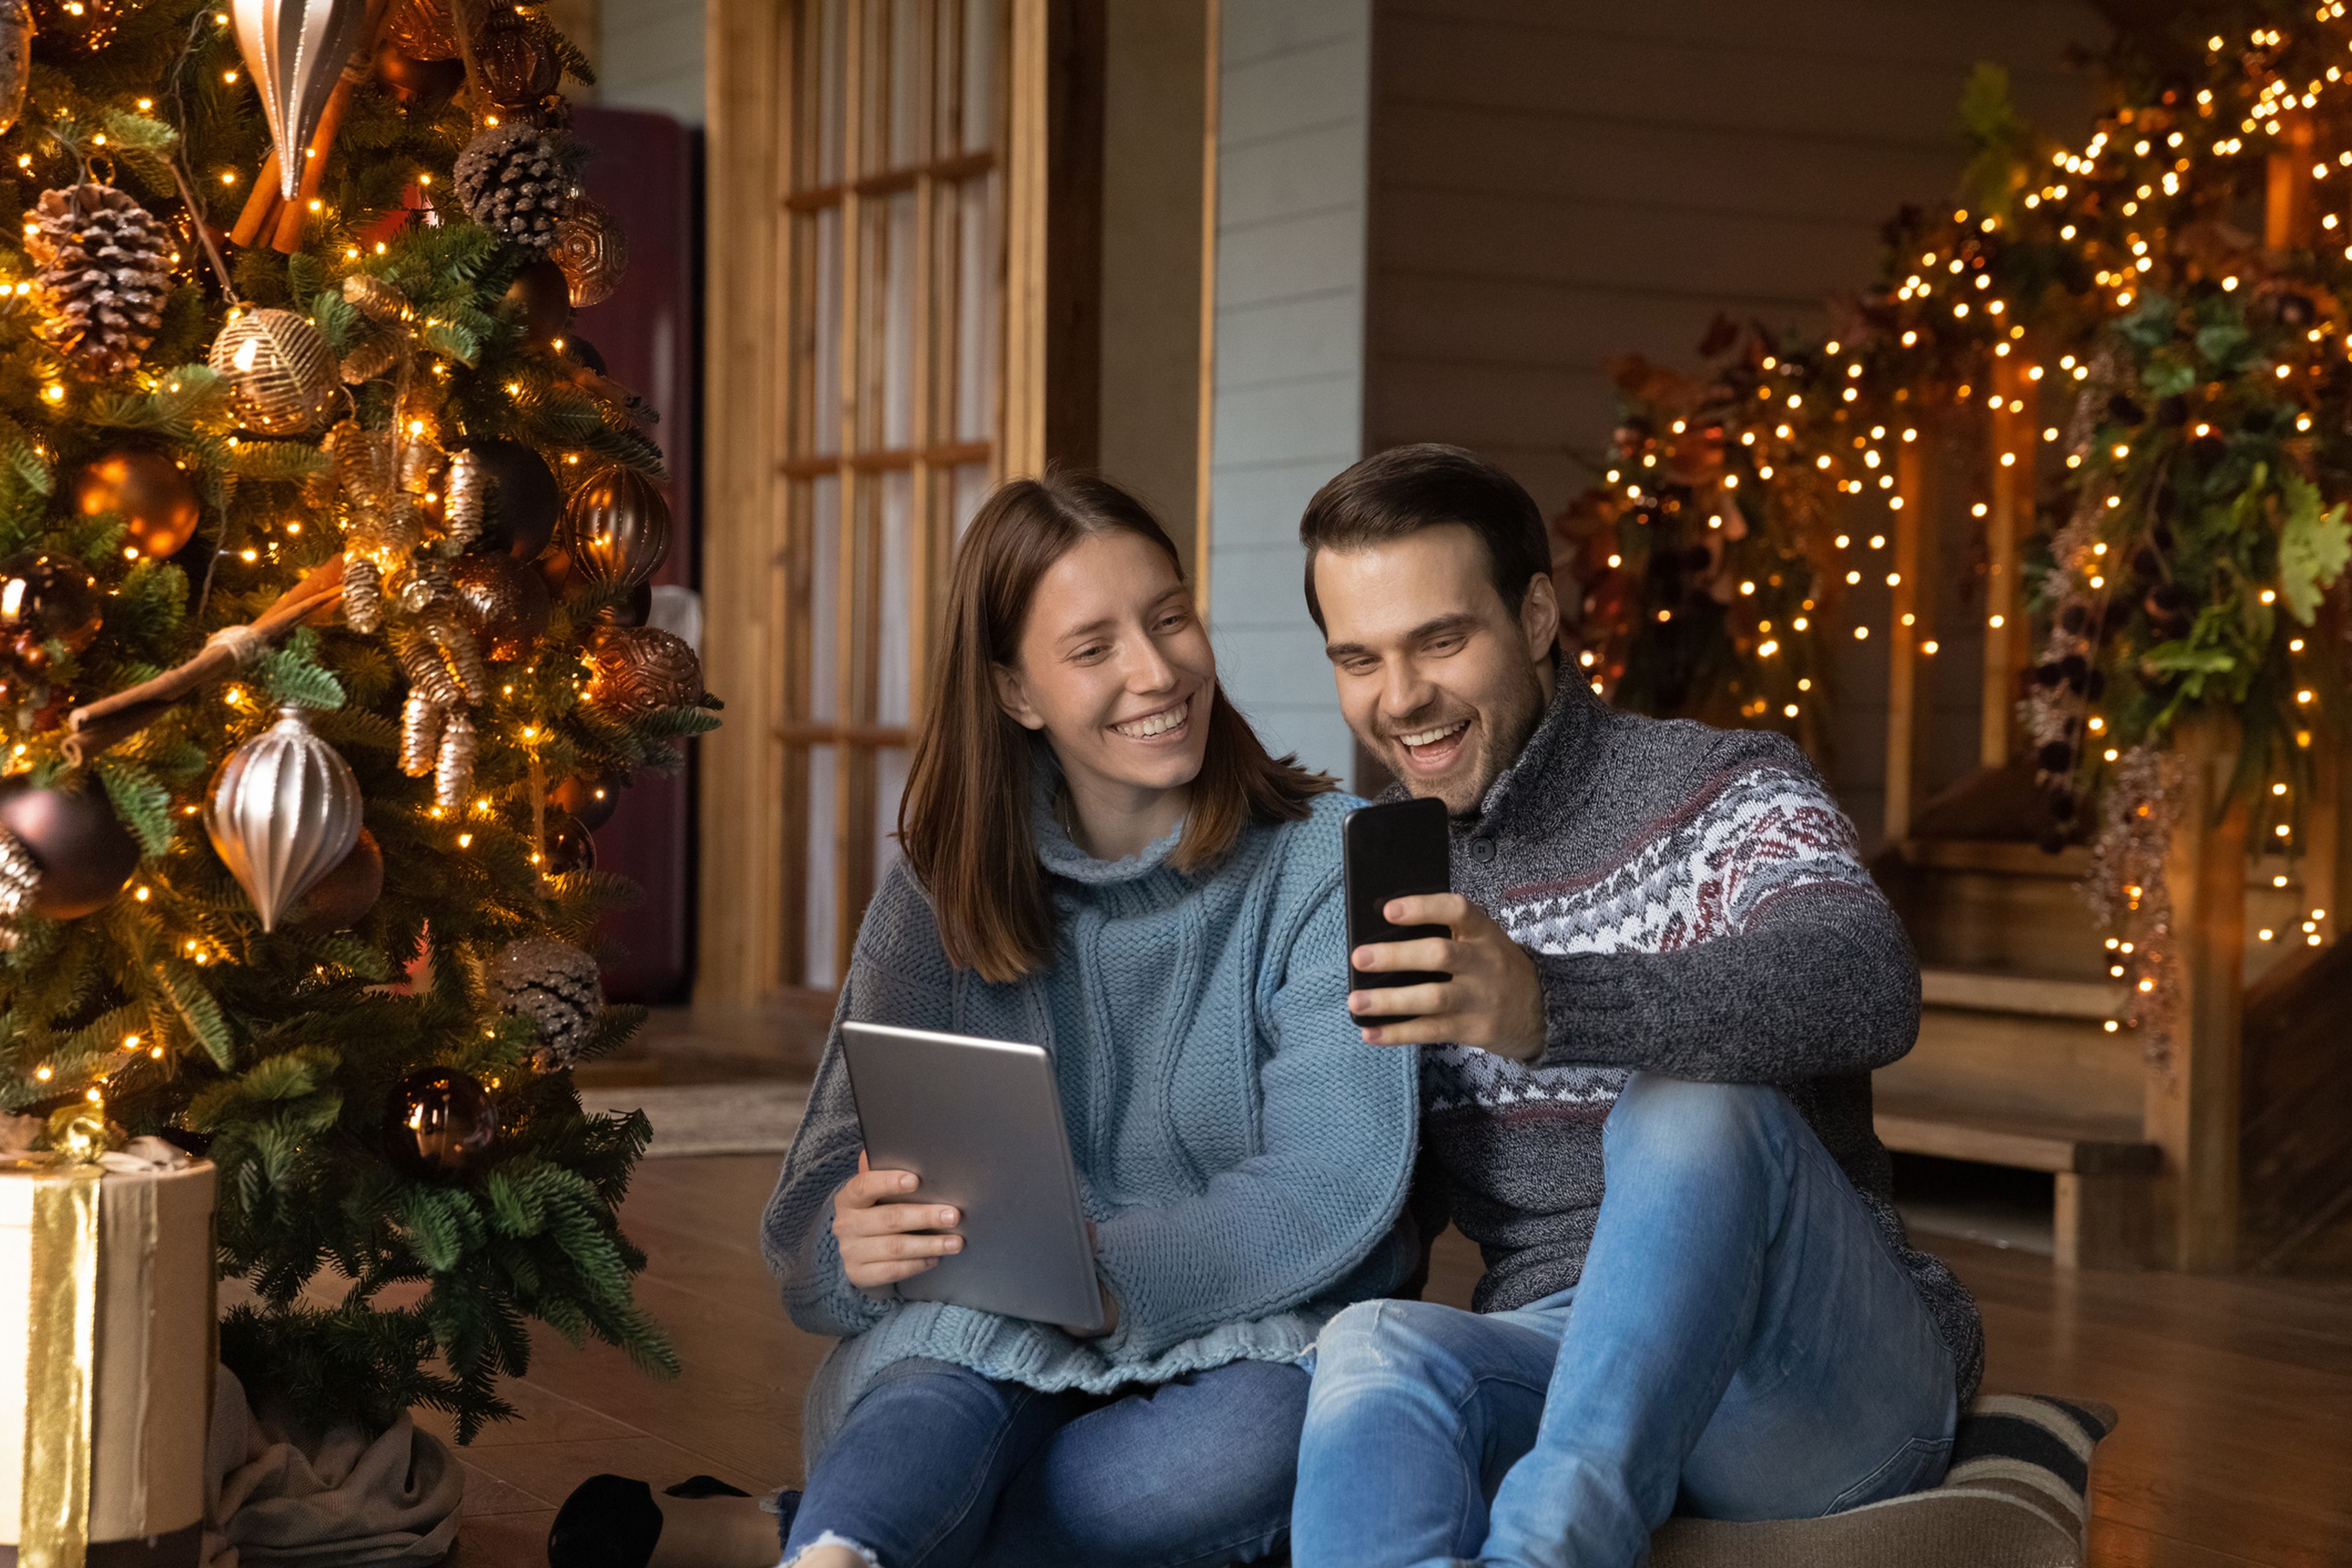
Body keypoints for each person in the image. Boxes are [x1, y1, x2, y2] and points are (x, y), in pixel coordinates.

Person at [569, 473, 1417, 1568]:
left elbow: (1331, 1183)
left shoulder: (1324, 860)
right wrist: (855, 1240)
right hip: (978, 1352)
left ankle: (806, 1535)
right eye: (1093, 647)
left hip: (1243, 1338)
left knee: (1272, 1443)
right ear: (1016, 692)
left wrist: (1101, 1279)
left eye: (1170, 619)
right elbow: (813, 1207)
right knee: (944, 1376)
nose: (1158, 673)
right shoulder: (942, 887)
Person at [1284, 444, 1983, 1568]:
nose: (1400, 698)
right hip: (1569, 1355)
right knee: (1374, 1348)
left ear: (1541, 615)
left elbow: (1867, 978)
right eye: (1358, 658)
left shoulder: (1720, 787)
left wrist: (1551, 1003)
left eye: (1442, 640)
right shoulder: (1375, 877)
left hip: (1803, 1375)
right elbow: (1369, 1205)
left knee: (1690, 1111)